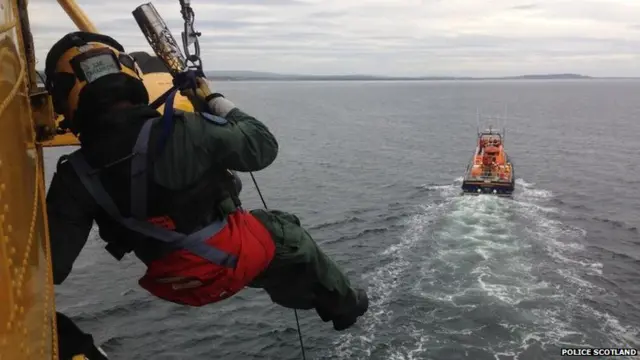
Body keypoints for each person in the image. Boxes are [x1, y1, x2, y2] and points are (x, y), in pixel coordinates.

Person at [44, 30, 368, 337]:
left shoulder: (74, 175)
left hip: (174, 283)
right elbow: (262, 147)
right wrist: (213, 99)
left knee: (264, 249)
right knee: (283, 230)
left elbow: (53, 268)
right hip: (231, 264)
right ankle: (344, 306)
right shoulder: (186, 129)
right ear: (129, 75)